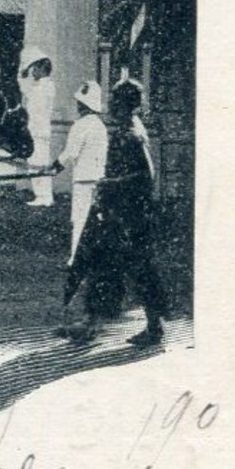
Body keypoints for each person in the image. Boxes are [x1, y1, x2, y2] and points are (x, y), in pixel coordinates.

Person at [64, 80, 167, 349]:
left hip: (130, 216)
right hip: (120, 212)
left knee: (137, 270)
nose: (109, 105)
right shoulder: (127, 129)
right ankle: (92, 322)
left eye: (113, 100)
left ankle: (152, 326)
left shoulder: (132, 134)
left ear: (122, 104)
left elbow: (146, 176)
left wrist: (111, 184)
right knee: (103, 265)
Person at [52, 81, 108, 260]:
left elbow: (71, 152)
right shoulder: (100, 126)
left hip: (83, 179)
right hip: (99, 179)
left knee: (79, 220)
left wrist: (56, 165)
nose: (77, 105)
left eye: (79, 102)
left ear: (84, 104)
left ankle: (75, 259)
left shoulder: (80, 125)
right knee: (97, 219)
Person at [18, 47, 56, 205]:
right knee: (37, 164)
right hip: (38, 130)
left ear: (41, 69)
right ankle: (43, 196)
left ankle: (43, 196)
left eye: (34, 68)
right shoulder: (43, 86)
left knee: (38, 164)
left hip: (38, 131)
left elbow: (28, 93)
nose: (32, 72)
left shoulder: (44, 87)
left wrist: (23, 74)